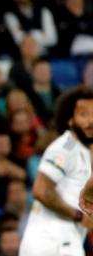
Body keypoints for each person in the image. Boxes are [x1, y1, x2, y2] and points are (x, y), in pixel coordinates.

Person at [25, 86, 93, 255]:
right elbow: (41, 190)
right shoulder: (65, 147)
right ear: (70, 120)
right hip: (54, 241)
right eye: (84, 115)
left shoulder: (81, 149)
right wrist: (79, 216)